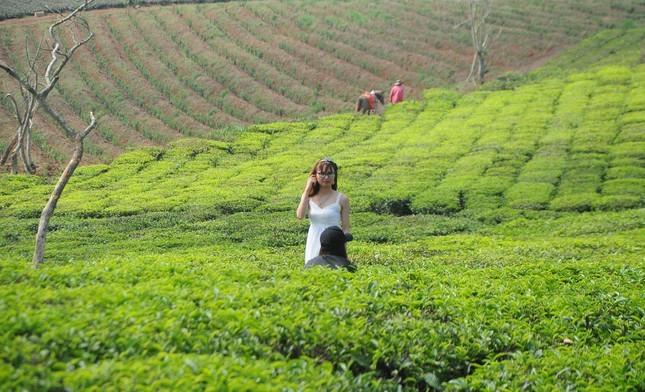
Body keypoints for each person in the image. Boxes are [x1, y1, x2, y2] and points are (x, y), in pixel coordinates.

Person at [296, 158, 350, 264]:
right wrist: (307, 189)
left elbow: (346, 227)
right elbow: (300, 215)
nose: (326, 177)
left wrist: (343, 246)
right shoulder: (309, 197)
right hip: (314, 239)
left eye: (330, 173)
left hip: (334, 242)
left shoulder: (342, 199)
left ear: (335, 176)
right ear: (315, 176)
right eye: (322, 173)